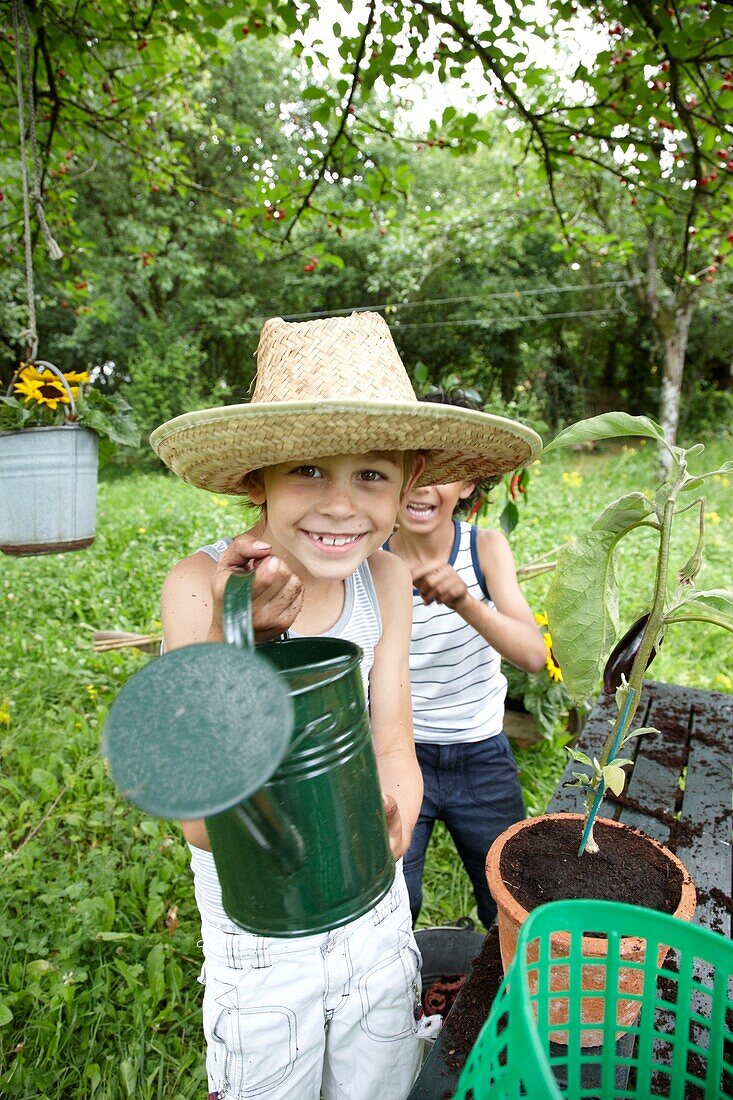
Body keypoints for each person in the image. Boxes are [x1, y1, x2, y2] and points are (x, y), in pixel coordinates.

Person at [150, 314, 541, 1100]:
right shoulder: (200, 588)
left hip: (371, 905)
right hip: (261, 932)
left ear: (407, 486)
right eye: (306, 471)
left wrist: (392, 813)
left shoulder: (384, 581)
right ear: (256, 479)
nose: (339, 505)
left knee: (378, 1073)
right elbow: (199, 817)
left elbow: (391, 737)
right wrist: (246, 649)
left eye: (370, 476)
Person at [384, 389, 547, 932]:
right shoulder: (369, 558)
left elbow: (530, 654)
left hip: (482, 757)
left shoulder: (485, 549)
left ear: (471, 484)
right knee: (390, 902)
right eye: (415, 464)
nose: (426, 482)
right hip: (397, 756)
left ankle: (510, 999)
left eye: (449, 469)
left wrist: (464, 600)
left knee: (511, 897)